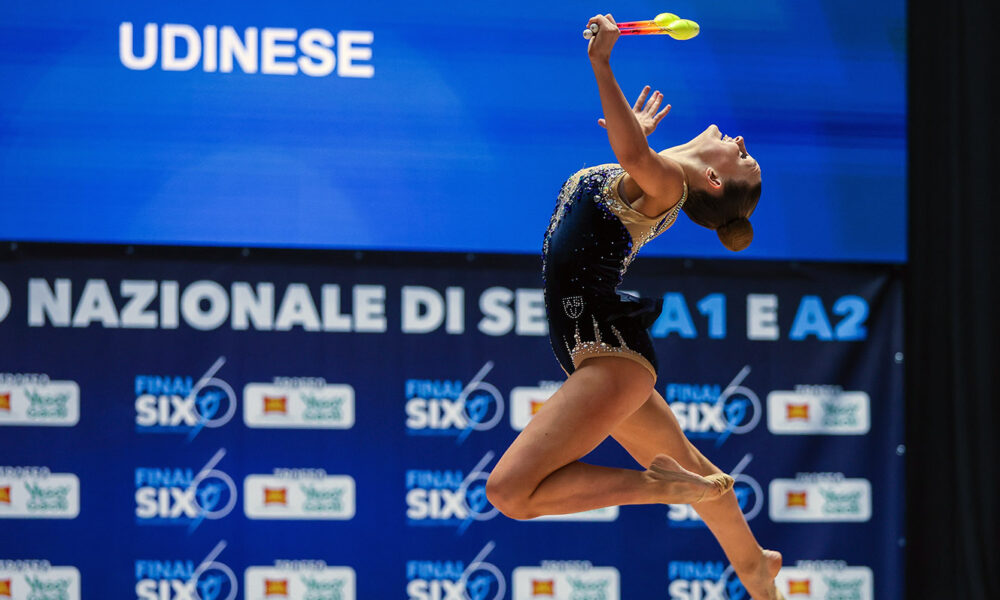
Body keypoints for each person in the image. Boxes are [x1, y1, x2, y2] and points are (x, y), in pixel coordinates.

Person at [484, 14, 783, 600]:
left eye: (743, 158)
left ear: (715, 181)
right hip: (603, 357)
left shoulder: (667, 183)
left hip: (606, 356)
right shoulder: (651, 175)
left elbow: (635, 156)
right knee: (695, 467)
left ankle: (658, 489)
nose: (741, 143)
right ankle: (755, 567)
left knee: (509, 493)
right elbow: (632, 155)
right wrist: (635, 136)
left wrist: (602, 64)